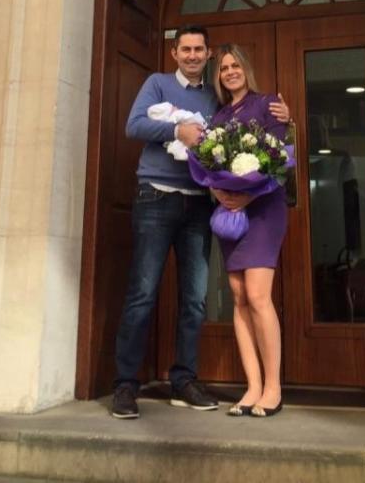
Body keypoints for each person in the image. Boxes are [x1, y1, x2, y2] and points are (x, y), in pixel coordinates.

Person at [111, 26, 289, 420]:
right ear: (174, 52)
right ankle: (125, 386)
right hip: (155, 197)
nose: (192, 55)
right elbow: (133, 125)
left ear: (207, 55)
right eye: (185, 49)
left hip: (199, 206)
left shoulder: (216, 99)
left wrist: (285, 118)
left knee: (195, 299)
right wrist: (177, 130)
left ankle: (184, 380)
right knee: (142, 293)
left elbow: (258, 139)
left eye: (199, 50)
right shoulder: (156, 83)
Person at [209, 43, 290, 418]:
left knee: (258, 295)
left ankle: (273, 387)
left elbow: (280, 158)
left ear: (246, 68)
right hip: (232, 215)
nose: (230, 72)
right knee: (239, 297)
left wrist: (248, 196)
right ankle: (252, 386)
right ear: (219, 76)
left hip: (264, 211)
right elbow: (208, 166)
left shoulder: (268, 103)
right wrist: (219, 191)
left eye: (235, 65)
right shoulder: (219, 116)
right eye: (224, 68)